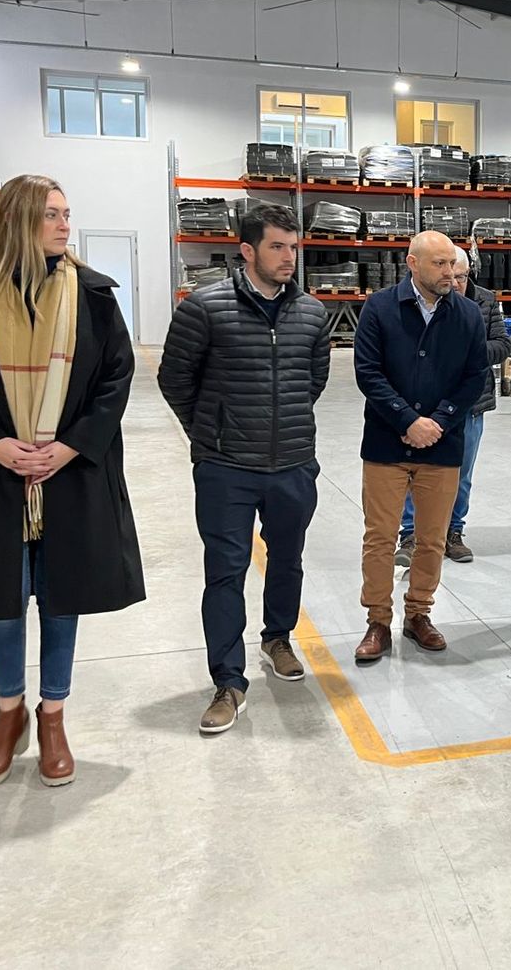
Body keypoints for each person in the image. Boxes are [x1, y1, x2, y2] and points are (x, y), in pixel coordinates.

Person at [0, 174, 144, 790]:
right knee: (0, 599)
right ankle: (7, 715)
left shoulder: (96, 297)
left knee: (62, 596)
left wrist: (70, 446)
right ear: (20, 220)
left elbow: (116, 379)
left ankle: (52, 716)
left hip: (69, 474)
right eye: (52, 214)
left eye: (67, 213)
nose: (64, 224)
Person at [158, 203, 331, 735]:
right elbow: (174, 379)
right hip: (225, 469)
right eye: (277, 246)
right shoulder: (204, 308)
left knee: (288, 560)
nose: (289, 257)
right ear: (248, 251)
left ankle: (278, 638)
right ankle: (228, 682)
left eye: (293, 247)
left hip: (293, 465)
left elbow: (315, 380)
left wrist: (288, 427)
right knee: (226, 572)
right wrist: (211, 434)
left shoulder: (312, 313)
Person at [352, 230, 488, 663]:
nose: (450, 272)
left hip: (443, 447)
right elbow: (367, 371)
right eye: (440, 264)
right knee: (380, 538)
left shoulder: (467, 314)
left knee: (430, 539)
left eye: (452, 264)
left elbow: (473, 377)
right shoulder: (379, 308)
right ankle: (377, 621)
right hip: (386, 444)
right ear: (412, 264)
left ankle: (418, 615)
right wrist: (407, 420)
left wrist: (440, 422)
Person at [396, 248, 511, 566]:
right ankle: (411, 533)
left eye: (461, 275)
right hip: (425, 404)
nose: (454, 281)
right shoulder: (426, 298)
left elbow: (502, 344)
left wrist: (469, 351)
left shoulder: (485, 299)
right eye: (448, 273)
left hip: (471, 406)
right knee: (415, 470)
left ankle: (453, 532)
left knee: (462, 473)